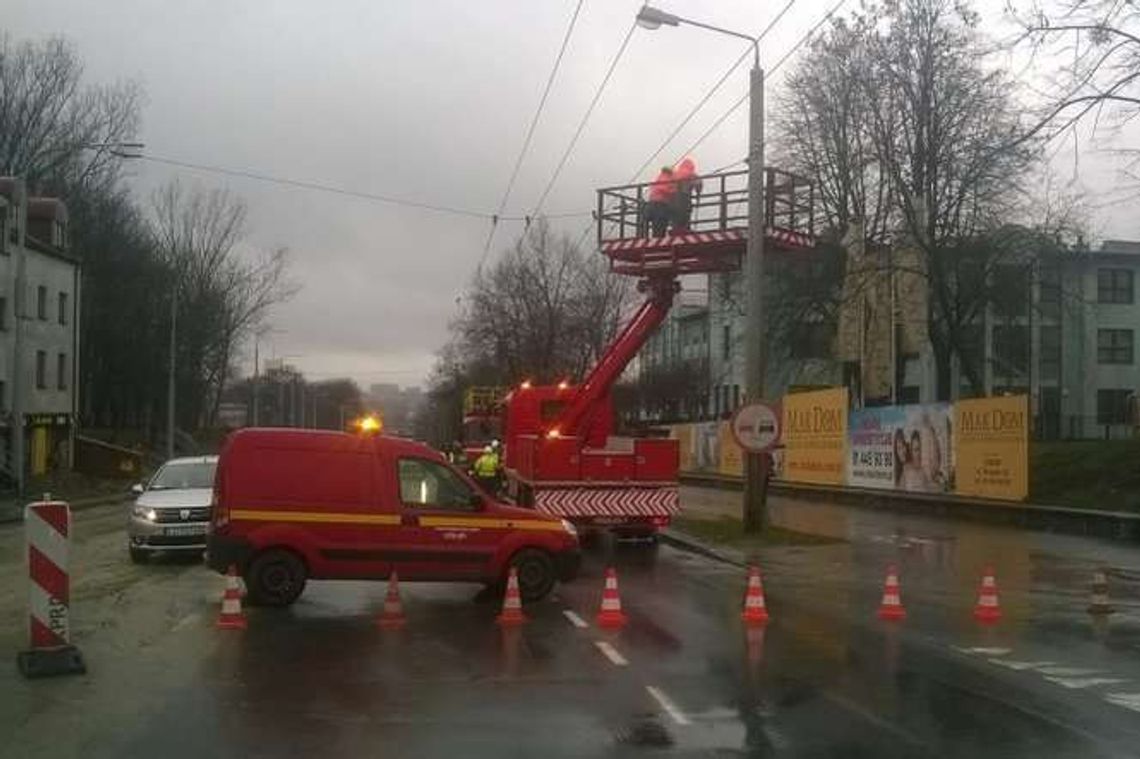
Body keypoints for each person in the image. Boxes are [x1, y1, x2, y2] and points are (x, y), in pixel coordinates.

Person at [669, 157, 703, 232]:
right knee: (685, 212)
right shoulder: (691, 173)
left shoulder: (675, 173)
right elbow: (698, 183)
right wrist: (698, 193)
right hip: (683, 196)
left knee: (675, 215)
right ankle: (685, 229)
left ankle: (675, 229)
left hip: (671, 198)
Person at [643, 165, 677, 237]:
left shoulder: (659, 178)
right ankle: (658, 237)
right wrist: (673, 191)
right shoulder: (667, 179)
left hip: (652, 203)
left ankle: (650, 237)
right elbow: (663, 189)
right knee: (660, 224)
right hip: (660, 204)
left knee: (655, 224)